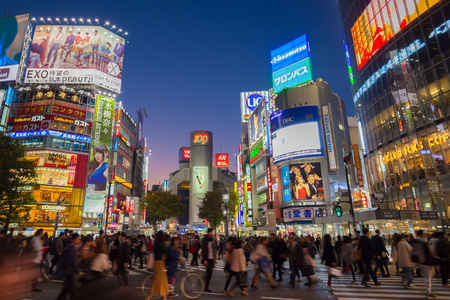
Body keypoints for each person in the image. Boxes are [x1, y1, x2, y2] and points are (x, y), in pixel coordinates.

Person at [412, 230, 437, 299]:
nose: (426, 235)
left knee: (426, 278)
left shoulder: (414, 241)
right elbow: (431, 252)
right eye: (425, 234)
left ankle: (428, 292)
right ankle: (428, 293)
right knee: (428, 278)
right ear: (422, 234)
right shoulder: (425, 242)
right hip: (426, 262)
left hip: (418, 261)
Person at [56, 233, 81, 300]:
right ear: (74, 240)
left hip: (68, 271)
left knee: (68, 290)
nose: (79, 240)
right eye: (78, 239)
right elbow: (73, 261)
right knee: (69, 290)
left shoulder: (69, 246)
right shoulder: (72, 248)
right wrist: (77, 272)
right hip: (70, 272)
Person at [147, 231, 169, 300]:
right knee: (158, 280)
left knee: (162, 279)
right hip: (160, 263)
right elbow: (164, 254)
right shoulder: (162, 244)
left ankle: (164, 297)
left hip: (156, 263)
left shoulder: (156, 243)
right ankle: (149, 297)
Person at [202, 228, 217, 293]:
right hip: (207, 259)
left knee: (209, 272)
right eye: (211, 232)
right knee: (209, 272)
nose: (212, 233)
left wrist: (215, 257)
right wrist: (204, 259)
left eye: (212, 232)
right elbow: (204, 250)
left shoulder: (214, 240)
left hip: (212, 258)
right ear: (208, 233)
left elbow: (216, 248)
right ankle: (206, 286)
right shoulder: (205, 241)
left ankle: (204, 283)